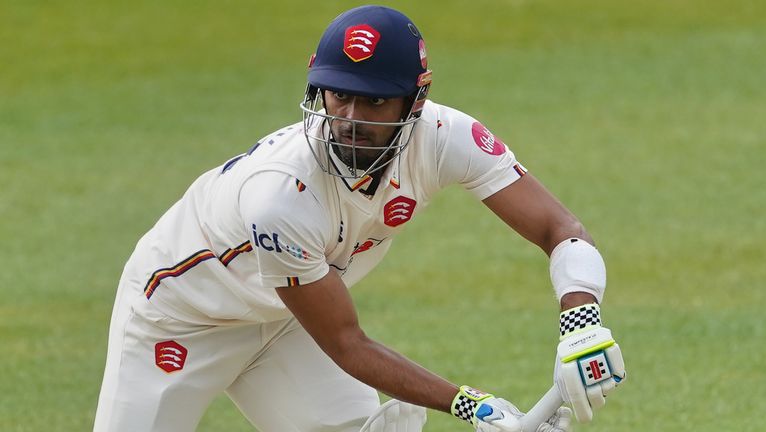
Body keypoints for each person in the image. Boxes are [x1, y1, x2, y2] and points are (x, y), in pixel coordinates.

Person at [93, 5, 625, 432]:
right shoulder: (280, 195)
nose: (349, 119)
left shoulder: (445, 139)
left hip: (288, 320)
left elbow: (561, 231)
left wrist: (581, 324)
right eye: (339, 94)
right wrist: (476, 406)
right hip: (180, 316)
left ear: (415, 101)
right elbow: (347, 343)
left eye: (373, 102)